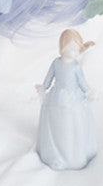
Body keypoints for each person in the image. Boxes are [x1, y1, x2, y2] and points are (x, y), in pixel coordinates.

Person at [36, 28, 96, 170]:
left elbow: (82, 82)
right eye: (71, 48)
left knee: (73, 124)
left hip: (73, 98)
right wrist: (43, 88)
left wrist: (88, 91)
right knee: (57, 125)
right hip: (57, 97)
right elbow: (49, 78)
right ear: (62, 47)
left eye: (76, 49)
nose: (74, 52)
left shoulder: (76, 67)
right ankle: (55, 154)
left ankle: (73, 154)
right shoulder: (56, 63)